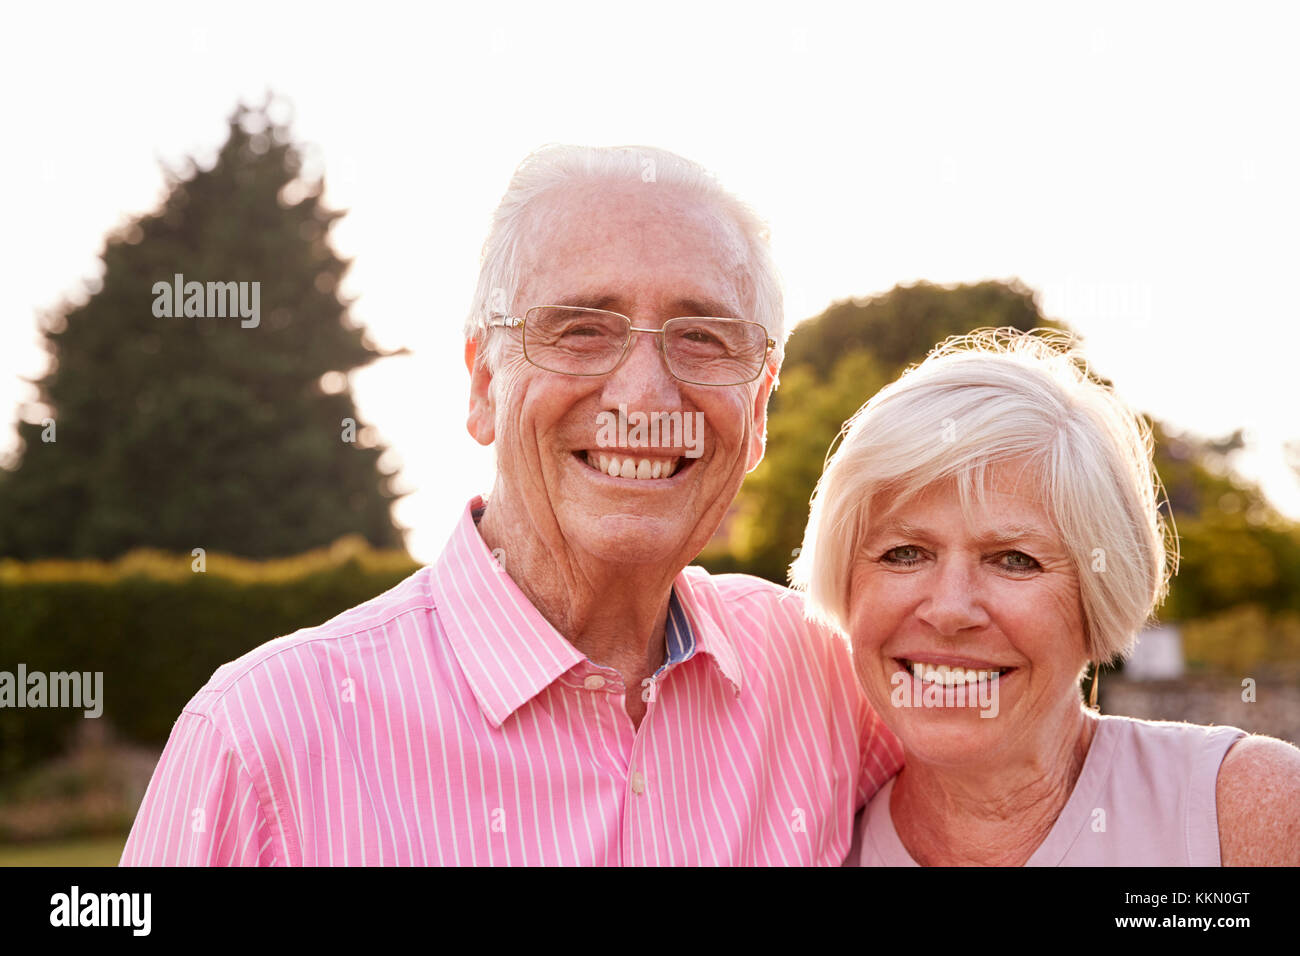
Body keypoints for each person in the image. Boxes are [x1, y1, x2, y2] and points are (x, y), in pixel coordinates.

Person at [120, 144, 902, 866]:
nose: (643, 395)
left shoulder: (826, 674)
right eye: (581, 329)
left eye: (702, 336)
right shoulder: (260, 739)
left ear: (759, 408)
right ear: (484, 384)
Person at [791, 329, 1300, 866]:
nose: (949, 609)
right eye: (903, 552)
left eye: (1014, 559)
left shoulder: (1246, 815)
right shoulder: (802, 849)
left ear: (1099, 595)